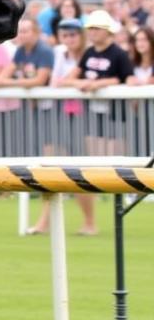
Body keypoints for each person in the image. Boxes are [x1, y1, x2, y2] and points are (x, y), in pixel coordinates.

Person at [27, 18, 96, 235]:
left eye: (73, 35)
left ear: (81, 35)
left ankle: (90, 222)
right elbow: (58, 81)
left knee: (79, 171)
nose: (69, 39)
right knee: (50, 167)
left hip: (83, 118)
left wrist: (70, 82)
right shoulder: (59, 54)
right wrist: (74, 83)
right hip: (59, 115)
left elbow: (68, 80)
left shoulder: (89, 55)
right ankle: (44, 222)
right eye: (65, 35)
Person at [65, 9, 133, 156]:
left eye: (96, 28)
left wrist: (97, 84)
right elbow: (69, 78)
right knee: (94, 156)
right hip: (93, 114)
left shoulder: (120, 54)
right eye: (90, 28)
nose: (92, 32)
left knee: (115, 158)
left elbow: (126, 79)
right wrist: (81, 84)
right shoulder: (88, 52)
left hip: (116, 115)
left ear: (107, 30)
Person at [0, 16, 54, 154]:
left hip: (48, 106)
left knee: (47, 142)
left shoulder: (45, 51)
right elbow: (7, 71)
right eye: (20, 31)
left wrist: (4, 83)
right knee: (31, 142)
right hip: (30, 106)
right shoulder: (20, 50)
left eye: (26, 31)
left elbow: (39, 80)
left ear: (36, 32)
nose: (21, 35)